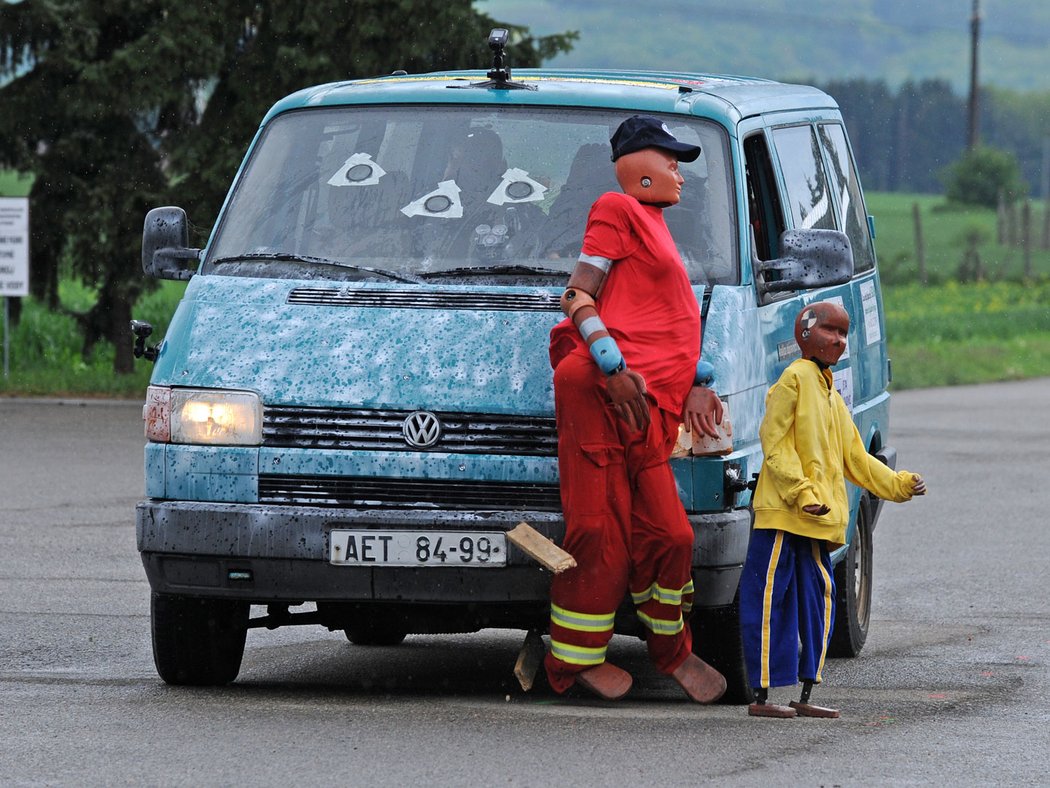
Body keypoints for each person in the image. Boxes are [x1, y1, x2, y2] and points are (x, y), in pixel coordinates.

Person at [543, 115, 727, 702]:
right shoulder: (614, 209)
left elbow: (659, 320)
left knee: (671, 536)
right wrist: (614, 369)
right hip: (602, 395)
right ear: (637, 166)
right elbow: (577, 294)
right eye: (670, 160)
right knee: (598, 534)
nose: (679, 172)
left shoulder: (655, 225)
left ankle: (671, 648)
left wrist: (699, 378)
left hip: (652, 406)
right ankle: (571, 662)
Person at [741, 301, 927, 718]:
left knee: (819, 600)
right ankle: (762, 696)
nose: (839, 342)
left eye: (844, 334)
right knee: (769, 598)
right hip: (783, 514)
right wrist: (801, 491)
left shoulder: (831, 395)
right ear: (805, 332)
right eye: (831, 331)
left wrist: (898, 484)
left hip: (819, 520)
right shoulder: (792, 380)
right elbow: (774, 442)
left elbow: (856, 459)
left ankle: (805, 693)